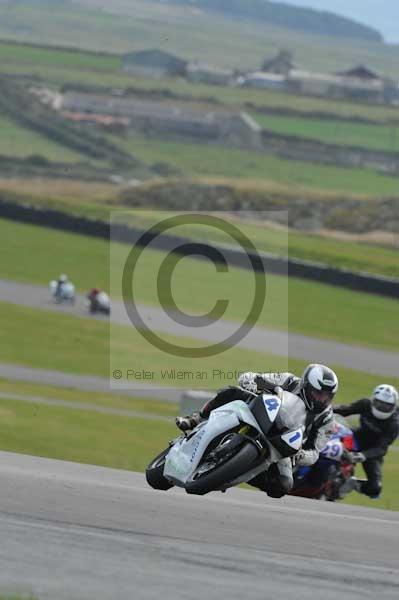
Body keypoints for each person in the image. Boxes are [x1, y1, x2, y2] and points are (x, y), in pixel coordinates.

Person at [176, 364, 338, 498]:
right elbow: (254, 377)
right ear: (306, 386)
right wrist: (251, 381)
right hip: (262, 412)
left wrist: (302, 455)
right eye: (318, 394)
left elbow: (314, 452)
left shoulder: (326, 419)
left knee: (282, 486)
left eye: (327, 396)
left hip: (284, 442)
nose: (322, 400)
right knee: (232, 392)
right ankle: (196, 418)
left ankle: (231, 472)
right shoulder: (288, 381)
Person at [334, 384, 399, 499]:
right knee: (329, 442)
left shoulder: (394, 424)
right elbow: (344, 410)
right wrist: (325, 410)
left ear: (394, 407)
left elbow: (382, 448)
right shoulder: (365, 404)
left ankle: (353, 483)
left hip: (372, 452)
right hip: (356, 437)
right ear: (373, 400)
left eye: (387, 406)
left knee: (375, 488)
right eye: (379, 403)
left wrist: (363, 455)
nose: (382, 407)